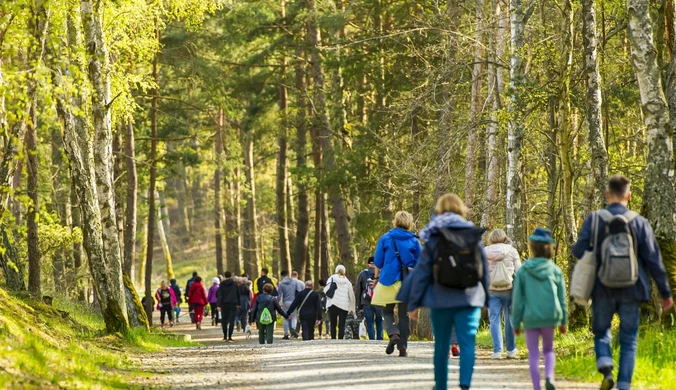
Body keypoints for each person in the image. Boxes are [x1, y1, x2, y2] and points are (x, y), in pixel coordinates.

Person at [572, 175, 673, 390]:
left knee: (601, 331)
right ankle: (624, 385)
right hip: (633, 288)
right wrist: (665, 293)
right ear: (629, 195)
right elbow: (654, 260)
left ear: (607, 195)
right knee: (629, 339)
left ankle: (606, 365)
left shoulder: (595, 219)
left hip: (601, 287)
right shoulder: (639, 222)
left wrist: (593, 247)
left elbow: (578, 251)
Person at [397, 194, 489, 390]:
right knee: (467, 344)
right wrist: (487, 300)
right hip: (470, 299)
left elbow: (422, 272)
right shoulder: (472, 235)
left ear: (439, 210)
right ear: (461, 209)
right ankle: (465, 384)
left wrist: (413, 303)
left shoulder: (434, 236)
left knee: (441, 346)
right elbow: (483, 270)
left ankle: (441, 386)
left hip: (440, 299)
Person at [512, 228, 568, 390]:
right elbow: (562, 299)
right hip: (550, 317)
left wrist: (516, 322)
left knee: (534, 353)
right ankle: (549, 377)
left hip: (530, 318)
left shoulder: (523, 271)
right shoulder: (555, 270)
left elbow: (517, 300)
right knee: (549, 350)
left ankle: (537, 387)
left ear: (532, 247)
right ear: (550, 248)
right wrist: (563, 320)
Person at [372, 210, 422, 357]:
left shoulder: (386, 238)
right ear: (409, 222)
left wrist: (375, 279)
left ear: (395, 221)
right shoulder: (414, 240)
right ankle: (402, 348)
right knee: (404, 315)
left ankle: (393, 333)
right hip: (407, 282)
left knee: (387, 311)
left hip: (389, 279)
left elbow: (378, 261)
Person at [485, 228, 521, 359]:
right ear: (504, 237)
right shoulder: (512, 251)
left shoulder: (484, 251)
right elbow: (519, 270)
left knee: (494, 319)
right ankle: (511, 350)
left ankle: (497, 351)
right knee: (510, 319)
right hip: (509, 289)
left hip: (491, 290)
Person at [324, 265, 356, 340]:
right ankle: (340, 338)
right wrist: (352, 308)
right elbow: (351, 296)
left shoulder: (331, 278)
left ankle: (333, 338)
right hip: (344, 306)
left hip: (333, 304)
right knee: (342, 324)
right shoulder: (347, 282)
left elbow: (326, 290)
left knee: (333, 323)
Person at [355, 256, 383, 340]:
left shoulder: (362, 274)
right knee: (379, 321)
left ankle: (372, 339)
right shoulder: (381, 274)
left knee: (370, 322)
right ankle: (380, 338)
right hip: (379, 301)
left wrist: (359, 306)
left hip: (366, 302)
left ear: (368, 265)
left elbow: (358, 290)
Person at [278, 270, 303, 339]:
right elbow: (299, 291)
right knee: (293, 317)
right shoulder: (294, 282)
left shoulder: (281, 283)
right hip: (294, 301)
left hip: (285, 302)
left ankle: (286, 334)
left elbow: (279, 295)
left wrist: (278, 303)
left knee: (285, 318)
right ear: (288, 274)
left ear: (281, 276)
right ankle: (293, 330)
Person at [217, 271, 241, 342]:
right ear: (231, 275)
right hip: (233, 303)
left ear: (224, 276)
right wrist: (239, 303)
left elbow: (220, 295)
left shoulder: (222, 284)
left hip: (224, 304)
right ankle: (230, 336)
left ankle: (225, 335)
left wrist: (219, 304)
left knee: (224, 320)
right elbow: (238, 294)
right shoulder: (235, 284)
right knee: (232, 320)